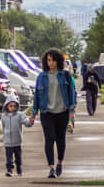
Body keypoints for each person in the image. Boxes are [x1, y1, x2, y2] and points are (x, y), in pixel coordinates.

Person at [31, 48, 76, 179]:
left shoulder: (65, 75)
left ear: (59, 61)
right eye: (49, 60)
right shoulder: (41, 77)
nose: (51, 63)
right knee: (49, 138)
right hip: (47, 112)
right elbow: (37, 96)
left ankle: (59, 162)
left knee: (60, 139)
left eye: (54, 60)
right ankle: (51, 168)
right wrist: (34, 113)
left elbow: (72, 94)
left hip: (62, 111)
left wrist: (71, 112)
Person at [0, 95, 25, 177]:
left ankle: (19, 169)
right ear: (6, 106)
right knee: (9, 158)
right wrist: (4, 136)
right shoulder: (4, 116)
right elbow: (3, 127)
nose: (12, 108)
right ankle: (9, 170)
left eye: (14, 106)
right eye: (11, 106)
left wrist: (30, 121)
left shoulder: (19, 115)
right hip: (8, 141)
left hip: (17, 141)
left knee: (18, 157)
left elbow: (26, 121)